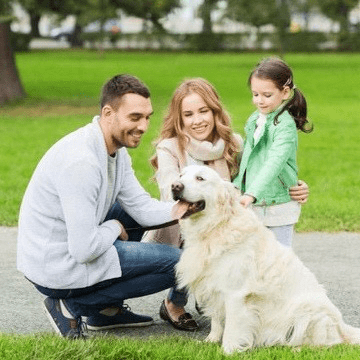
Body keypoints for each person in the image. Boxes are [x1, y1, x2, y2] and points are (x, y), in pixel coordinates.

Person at [17, 74, 198, 338]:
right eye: (135, 117)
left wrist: (180, 210)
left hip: (73, 245)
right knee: (179, 265)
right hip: (55, 266)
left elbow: (139, 206)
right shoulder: (82, 162)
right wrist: (114, 227)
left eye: (147, 117)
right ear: (108, 112)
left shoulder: (115, 150)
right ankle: (69, 306)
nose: (144, 126)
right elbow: (84, 250)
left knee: (127, 212)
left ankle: (105, 313)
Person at [143, 77, 309, 327]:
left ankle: (217, 295)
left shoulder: (234, 144)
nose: (197, 120)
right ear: (179, 119)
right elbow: (169, 191)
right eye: (188, 114)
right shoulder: (170, 147)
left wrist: (296, 186)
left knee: (234, 244)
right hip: (180, 224)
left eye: (203, 111)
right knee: (198, 241)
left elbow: (262, 172)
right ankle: (174, 303)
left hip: (221, 225)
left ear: (214, 111)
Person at [233, 57, 313, 247]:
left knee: (279, 258)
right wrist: (238, 186)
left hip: (278, 204)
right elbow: (248, 159)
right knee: (255, 255)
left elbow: (274, 162)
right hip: (256, 203)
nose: (259, 101)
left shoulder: (284, 125)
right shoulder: (256, 119)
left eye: (266, 95)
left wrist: (251, 193)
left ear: (285, 93)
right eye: (255, 94)